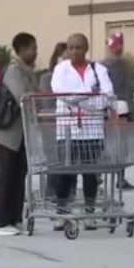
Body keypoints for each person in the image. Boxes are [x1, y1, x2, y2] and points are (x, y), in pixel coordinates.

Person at [49, 33, 114, 230]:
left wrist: (82, 99)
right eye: (71, 48)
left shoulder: (98, 70)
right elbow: (61, 92)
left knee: (90, 173)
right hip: (67, 130)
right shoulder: (61, 69)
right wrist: (89, 96)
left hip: (91, 131)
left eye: (78, 47)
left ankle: (89, 213)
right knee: (65, 173)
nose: (74, 51)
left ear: (86, 49)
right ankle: (62, 212)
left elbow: (107, 96)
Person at [0, 32, 37, 236]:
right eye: (33, 48)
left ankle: (15, 219)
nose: (36, 53)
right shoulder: (14, 71)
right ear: (23, 49)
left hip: (21, 134)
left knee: (19, 176)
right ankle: (2, 222)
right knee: (6, 177)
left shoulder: (27, 71)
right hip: (6, 134)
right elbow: (23, 98)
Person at [100, 32, 134, 191]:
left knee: (109, 145)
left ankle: (99, 176)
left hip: (109, 108)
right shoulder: (125, 67)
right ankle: (119, 178)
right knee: (119, 146)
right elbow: (129, 89)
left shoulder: (101, 66)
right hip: (120, 108)